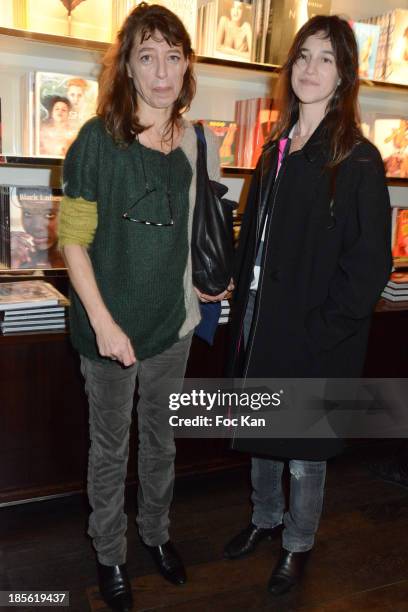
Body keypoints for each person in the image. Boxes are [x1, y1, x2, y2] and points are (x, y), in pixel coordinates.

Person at [58, 3, 227, 611]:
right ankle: (110, 554)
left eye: (173, 57)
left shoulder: (196, 141)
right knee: (110, 447)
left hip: (173, 327)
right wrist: (103, 324)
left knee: (161, 442)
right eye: (148, 56)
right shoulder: (95, 143)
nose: (162, 71)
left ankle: (156, 535)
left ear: (187, 67)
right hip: (109, 334)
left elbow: (194, 233)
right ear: (127, 65)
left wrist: (206, 285)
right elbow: (73, 239)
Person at [224, 15, 391, 596]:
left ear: (344, 74)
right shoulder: (275, 150)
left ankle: (297, 541)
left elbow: (370, 267)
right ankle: (265, 518)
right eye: (303, 56)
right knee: (263, 431)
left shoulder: (359, 159)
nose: (310, 68)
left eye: (326, 58)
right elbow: (257, 241)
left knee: (304, 452)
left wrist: (321, 329)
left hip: (317, 334)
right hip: (263, 324)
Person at [10, 187, 65, 269]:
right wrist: (12, 263)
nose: (37, 226)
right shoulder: (21, 256)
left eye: (49, 214)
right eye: (28, 213)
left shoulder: (84, 259)